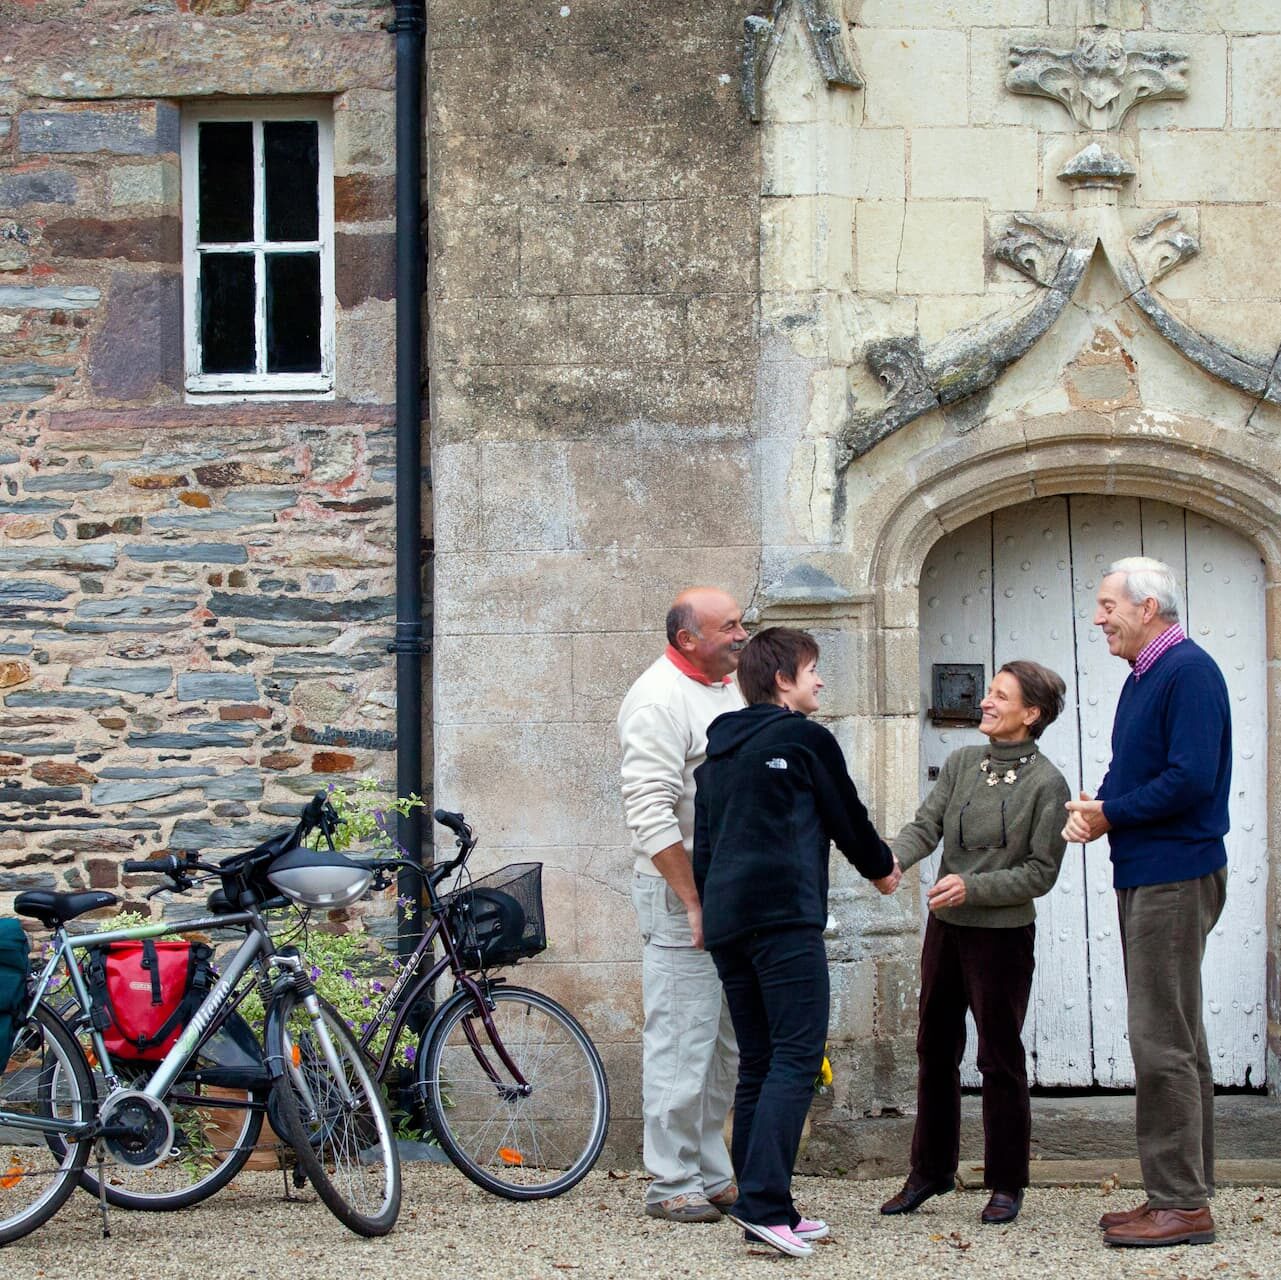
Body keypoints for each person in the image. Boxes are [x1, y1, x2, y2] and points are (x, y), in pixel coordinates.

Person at [692, 627, 897, 1258]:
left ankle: (767, 1203)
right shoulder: (807, 739)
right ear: (783, 680)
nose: (820, 681)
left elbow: (706, 845)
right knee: (797, 1057)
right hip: (782, 917)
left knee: (759, 1059)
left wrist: (707, 912)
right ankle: (762, 1206)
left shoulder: (716, 756)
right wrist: (882, 867)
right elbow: (847, 817)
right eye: (813, 670)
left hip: (729, 923)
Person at [1063, 557, 1230, 1249]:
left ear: (1148, 606)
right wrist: (1097, 805)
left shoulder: (1186, 670)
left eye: (1107, 605)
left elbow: (1189, 778)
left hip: (1173, 873)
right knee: (1178, 1037)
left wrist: (1111, 815)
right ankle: (1182, 1188)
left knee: (1158, 1040)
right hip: (1150, 870)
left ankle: (1181, 1203)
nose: (1098, 617)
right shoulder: (1146, 675)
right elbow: (1134, 766)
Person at [880, 660, 1070, 1226]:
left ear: (1030, 714)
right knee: (934, 1050)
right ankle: (930, 1172)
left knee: (999, 1057)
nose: (986, 701)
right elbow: (926, 825)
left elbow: (1040, 873)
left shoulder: (1048, 783)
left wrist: (974, 887)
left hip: (1003, 939)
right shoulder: (963, 763)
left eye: (999, 695)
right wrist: (892, 859)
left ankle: (1006, 1182)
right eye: (988, 692)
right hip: (948, 929)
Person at [617, 586, 748, 1223]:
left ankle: (712, 1171)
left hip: (727, 889)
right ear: (686, 639)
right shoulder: (656, 699)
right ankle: (670, 1182)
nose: (741, 635)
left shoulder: (730, 687)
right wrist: (692, 899)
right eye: (728, 627)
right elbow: (649, 812)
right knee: (680, 1038)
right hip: (682, 894)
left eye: (741, 623)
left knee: (724, 1043)